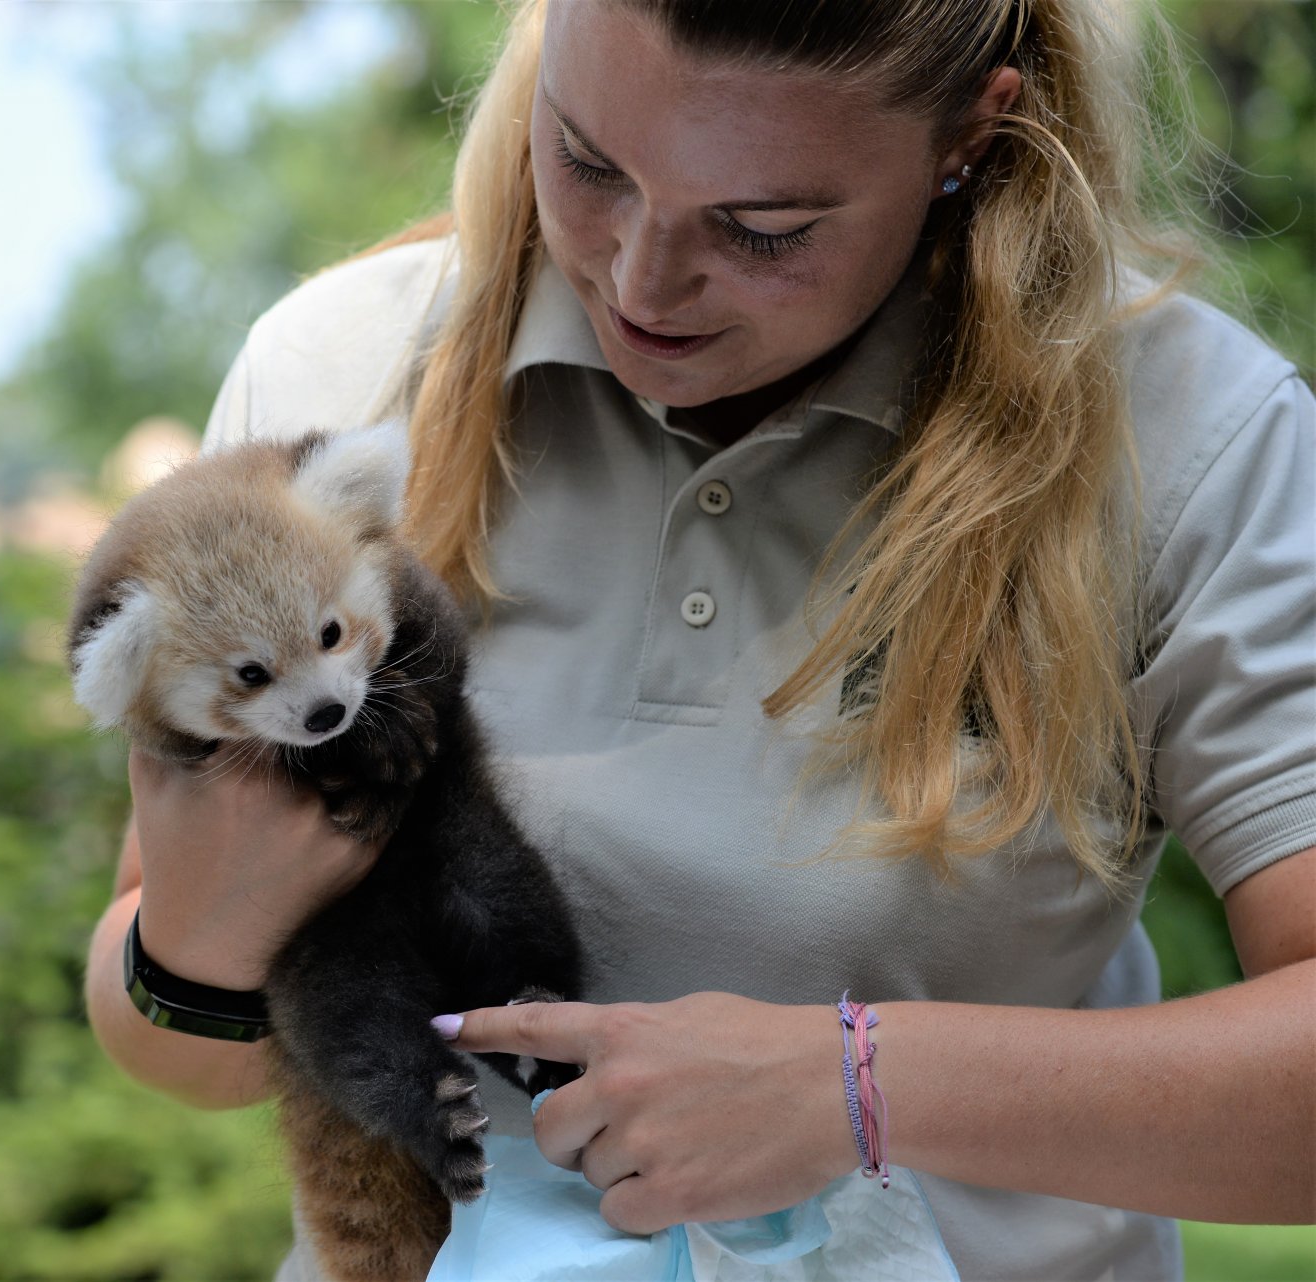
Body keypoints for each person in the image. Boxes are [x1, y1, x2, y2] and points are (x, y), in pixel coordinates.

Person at [82, 1, 1316, 1278]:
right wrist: (205, 936)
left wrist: (865, 1088)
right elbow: (170, 1036)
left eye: (762, 228)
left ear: (972, 135)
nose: (638, 279)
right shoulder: (334, 391)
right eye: (587, 162)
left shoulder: (1195, 439)